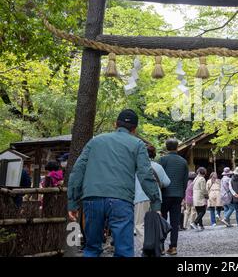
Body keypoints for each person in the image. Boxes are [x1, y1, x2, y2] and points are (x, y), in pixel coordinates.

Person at [67, 109, 161, 257]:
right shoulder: (137, 144)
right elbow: (145, 175)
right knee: (123, 250)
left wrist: (72, 202)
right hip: (121, 199)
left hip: (92, 198)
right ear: (135, 129)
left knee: (91, 248)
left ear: (115, 124)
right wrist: (155, 203)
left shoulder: (95, 141)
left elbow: (77, 171)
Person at [134, 145, 170, 257]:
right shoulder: (157, 167)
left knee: (140, 224)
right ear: (153, 154)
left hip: (140, 197)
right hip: (155, 198)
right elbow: (167, 182)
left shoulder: (135, 167)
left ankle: (143, 250)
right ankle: (155, 249)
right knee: (155, 224)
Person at [159, 138, 189, 255]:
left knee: (161, 220)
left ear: (166, 147)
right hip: (178, 195)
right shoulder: (183, 161)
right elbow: (185, 180)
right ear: (177, 147)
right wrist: (182, 193)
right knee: (175, 222)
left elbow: (158, 177)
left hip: (164, 194)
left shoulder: (162, 159)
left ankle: (161, 246)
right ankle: (173, 247)